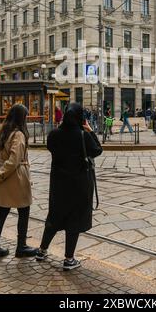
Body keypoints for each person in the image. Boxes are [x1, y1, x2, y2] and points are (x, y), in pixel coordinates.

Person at [35, 102, 103, 270]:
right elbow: (97, 150)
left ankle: (42, 251)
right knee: (74, 220)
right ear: (81, 118)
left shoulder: (54, 134)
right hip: (78, 185)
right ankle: (69, 259)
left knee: (54, 217)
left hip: (58, 184)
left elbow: (51, 147)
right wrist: (90, 130)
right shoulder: (82, 135)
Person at [0, 104, 37, 261]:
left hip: (3, 178)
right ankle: (21, 247)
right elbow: (15, 160)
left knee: (2, 213)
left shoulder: (3, 131)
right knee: (24, 211)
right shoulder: (19, 135)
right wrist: (0, 175)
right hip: (16, 178)